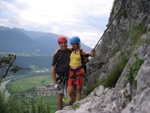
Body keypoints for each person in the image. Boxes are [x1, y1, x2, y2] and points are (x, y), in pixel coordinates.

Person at [68, 36, 95, 105]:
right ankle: (76, 102)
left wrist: (92, 52)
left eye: (74, 44)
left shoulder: (82, 51)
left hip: (79, 71)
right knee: (70, 91)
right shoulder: (71, 50)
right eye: (72, 44)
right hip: (71, 72)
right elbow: (63, 48)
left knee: (78, 89)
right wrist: (58, 50)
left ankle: (76, 104)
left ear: (78, 44)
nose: (73, 45)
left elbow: (91, 55)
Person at [51, 35, 71, 110]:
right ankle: (60, 111)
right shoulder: (57, 54)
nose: (63, 44)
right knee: (60, 95)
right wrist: (54, 81)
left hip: (68, 76)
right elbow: (53, 68)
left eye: (64, 42)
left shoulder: (69, 51)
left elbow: (76, 48)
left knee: (71, 92)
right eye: (61, 43)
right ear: (59, 44)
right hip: (59, 77)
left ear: (67, 43)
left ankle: (70, 107)